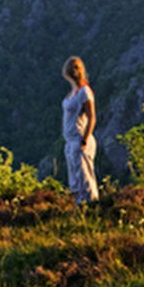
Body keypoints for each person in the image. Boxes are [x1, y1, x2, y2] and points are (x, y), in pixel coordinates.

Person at [61, 55, 98, 203]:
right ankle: (80, 207)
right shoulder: (73, 92)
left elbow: (92, 117)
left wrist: (84, 139)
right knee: (75, 180)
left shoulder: (84, 92)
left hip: (79, 139)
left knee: (85, 179)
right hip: (70, 141)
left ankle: (90, 207)